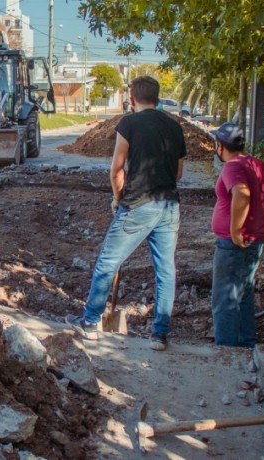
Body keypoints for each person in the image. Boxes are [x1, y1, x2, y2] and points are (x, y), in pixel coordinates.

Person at [66, 76, 186, 350]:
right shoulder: (175, 126)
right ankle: (159, 335)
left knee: (108, 262)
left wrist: (118, 199)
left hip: (137, 205)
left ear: (132, 100)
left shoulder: (129, 123)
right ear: (157, 98)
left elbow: (116, 170)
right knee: (166, 270)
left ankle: (91, 322)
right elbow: (178, 173)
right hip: (169, 205)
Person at [209, 123, 264, 347]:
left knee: (225, 298)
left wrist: (235, 230)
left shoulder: (232, 167)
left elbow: (242, 194)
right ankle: (246, 343)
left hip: (235, 242)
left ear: (220, 145)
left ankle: (225, 350)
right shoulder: (254, 163)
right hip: (256, 238)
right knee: (243, 292)